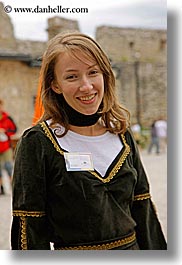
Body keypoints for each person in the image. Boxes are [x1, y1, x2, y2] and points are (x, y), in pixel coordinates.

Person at [11, 32, 167, 250]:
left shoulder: (122, 135)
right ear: (55, 84)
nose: (86, 86)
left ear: (104, 75)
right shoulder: (38, 143)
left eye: (93, 72)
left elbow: (144, 212)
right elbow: (29, 227)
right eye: (72, 76)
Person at [0, 99, 17, 195]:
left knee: (8, 167)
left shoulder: (7, 118)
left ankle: (13, 186)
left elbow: (14, 130)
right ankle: (1, 188)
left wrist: (5, 131)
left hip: (6, 147)